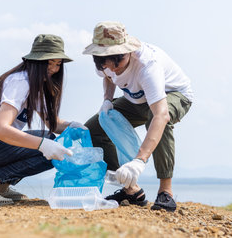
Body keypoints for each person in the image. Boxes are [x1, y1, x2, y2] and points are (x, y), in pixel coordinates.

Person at [0, 34, 87, 206]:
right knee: (49, 145)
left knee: (55, 144)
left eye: (57, 64)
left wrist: (75, 127)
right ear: (35, 61)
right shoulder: (21, 81)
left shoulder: (37, 87)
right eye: (49, 63)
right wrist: (43, 145)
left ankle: (1, 185)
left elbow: (53, 124)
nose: (54, 69)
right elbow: (0, 129)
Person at [83, 21, 193, 212]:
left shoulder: (147, 66)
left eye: (117, 61)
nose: (111, 67)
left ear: (127, 52)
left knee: (155, 119)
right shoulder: (103, 60)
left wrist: (139, 161)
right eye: (104, 61)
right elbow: (108, 78)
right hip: (137, 100)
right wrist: (107, 100)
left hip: (174, 95)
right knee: (93, 128)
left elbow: (161, 114)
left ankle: (165, 192)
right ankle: (131, 190)